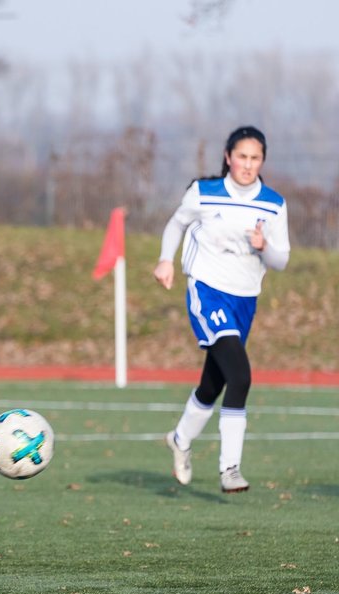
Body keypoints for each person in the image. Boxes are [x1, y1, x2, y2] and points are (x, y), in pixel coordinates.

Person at [154, 126, 289, 493]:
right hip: (207, 290)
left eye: (255, 158)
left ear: (263, 161)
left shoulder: (273, 203)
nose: (248, 164)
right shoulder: (204, 193)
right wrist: (166, 260)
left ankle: (180, 439)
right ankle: (230, 468)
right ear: (228, 157)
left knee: (213, 383)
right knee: (241, 376)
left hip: (245, 299)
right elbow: (176, 223)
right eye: (241, 156)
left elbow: (281, 260)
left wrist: (264, 246)